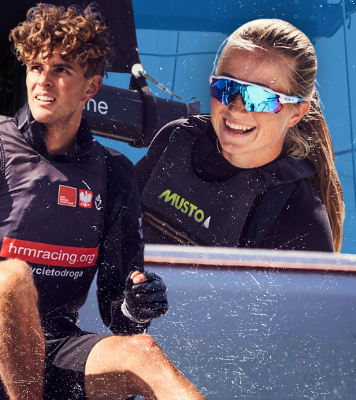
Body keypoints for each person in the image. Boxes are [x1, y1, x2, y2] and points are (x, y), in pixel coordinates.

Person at [0, 4, 201, 399]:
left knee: (141, 354)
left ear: (91, 87)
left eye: (61, 70)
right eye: (36, 67)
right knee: (10, 279)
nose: (43, 80)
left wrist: (135, 305)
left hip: (56, 345)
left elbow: (121, 318)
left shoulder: (114, 173)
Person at [136, 19, 342, 252]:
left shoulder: (300, 218)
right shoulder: (175, 140)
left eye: (260, 97)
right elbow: (114, 231)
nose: (236, 108)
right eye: (225, 87)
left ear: (296, 113)